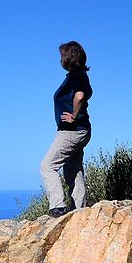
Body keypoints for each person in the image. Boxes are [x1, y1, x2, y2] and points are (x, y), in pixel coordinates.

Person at [39, 41, 93, 217]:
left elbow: (79, 96)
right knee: (73, 167)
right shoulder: (78, 76)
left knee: (47, 166)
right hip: (80, 130)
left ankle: (58, 206)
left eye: (62, 56)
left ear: (69, 58)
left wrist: (73, 116)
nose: (60, 59)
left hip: (71, 131)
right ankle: (79, 208)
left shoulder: (76, 76)